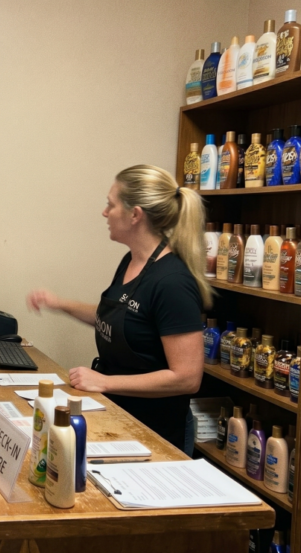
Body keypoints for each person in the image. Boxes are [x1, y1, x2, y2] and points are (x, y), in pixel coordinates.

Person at [27, 165, 211, 451]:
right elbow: (117, 318)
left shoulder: (172, 282)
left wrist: (106, 382)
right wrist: (60, 304)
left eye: (110, 205)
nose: (104, 212)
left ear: (135, 215)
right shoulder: (132, 261)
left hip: (156, 433)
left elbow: (187, 378)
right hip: (119, 417)